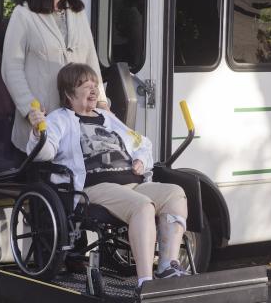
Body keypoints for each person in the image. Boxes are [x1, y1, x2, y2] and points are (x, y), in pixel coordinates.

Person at [28, 63, 189, 288]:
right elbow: (44, 153)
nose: (93, 90)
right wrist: (38, 131)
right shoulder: (60, 119)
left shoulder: (106, 117)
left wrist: (141, 160)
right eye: (85, 85)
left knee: (175, 194)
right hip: (96, 187)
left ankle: (167, 266)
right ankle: (146, 281)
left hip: (132, 183)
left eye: (95, 84)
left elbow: (140, 142)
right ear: (68, 93)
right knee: (143, 206)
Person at [2, 0, 108, 152]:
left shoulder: (78, 13)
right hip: (41, 121)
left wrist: (101, 100)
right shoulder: (23, 15)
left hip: (79, 120)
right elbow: (11, 68)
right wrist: (29, 109)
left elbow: (91, 61)